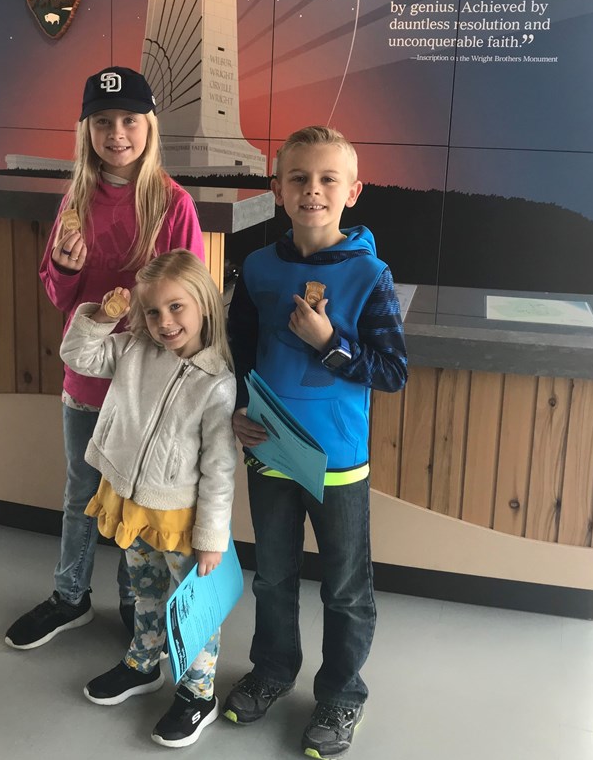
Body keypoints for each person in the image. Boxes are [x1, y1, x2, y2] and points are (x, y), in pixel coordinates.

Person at [5, 67, 205, 650]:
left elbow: (188, 304)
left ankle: (133, 603)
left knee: (133, 501)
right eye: (103, 121)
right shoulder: (76, 199)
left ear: (149, 125)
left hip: (143, 388)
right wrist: (65, 268)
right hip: (85, 383)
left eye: (128, 120)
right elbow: (59, 298)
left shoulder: (174, 203)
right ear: (87, 129)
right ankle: (70, 596)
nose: (116, 133)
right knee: (79, 495)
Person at [224, 126, 408, 758]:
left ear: (352, 191)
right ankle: (274, 670)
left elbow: (392, 371)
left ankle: (340, 694)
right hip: (271, 454)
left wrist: (331, 345)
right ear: (277, 189)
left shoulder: (369, 274)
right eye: (299, 178)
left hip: (338, 462)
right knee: (273, 577)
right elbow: (238, 355)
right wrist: (238, 411)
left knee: (345, 588)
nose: (313, 191)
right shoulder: (256, 267)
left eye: (328, 179)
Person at [60, 249, 237, 747]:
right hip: (132, 502)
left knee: (192, 609)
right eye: (154, 311)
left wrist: (211, 539)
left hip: (181, 517)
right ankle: (144, 662)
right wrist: (102, 317)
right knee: (143, 589)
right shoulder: (133, 347)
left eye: (177, 307)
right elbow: (77, 355)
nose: (164, 322)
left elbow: (219, 470)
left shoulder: (217, 384)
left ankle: (198, 694)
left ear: (203, 304)